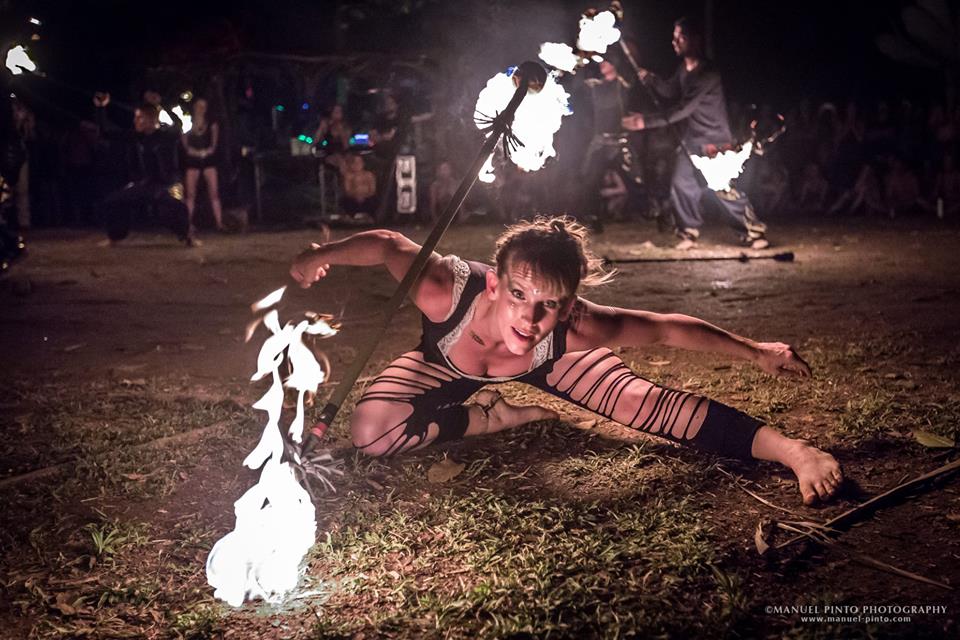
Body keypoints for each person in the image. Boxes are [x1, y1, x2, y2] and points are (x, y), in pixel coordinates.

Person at [290, 216, 843, 505]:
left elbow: (667, 328)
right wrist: (322, 255)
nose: (529, 319)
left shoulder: (574, 327)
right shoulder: (443, 290)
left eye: (549, 304)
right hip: (447, 366)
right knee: (369, 431)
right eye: (519, 296)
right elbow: (389, 244)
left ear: (569, 304)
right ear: (493, 284)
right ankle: (489, 415)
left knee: (639, 403)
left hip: (544, 366)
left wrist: (758, 353)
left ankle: (792, 451)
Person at [621, 17, 769, 251]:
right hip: (692, 140)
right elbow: (670, 91)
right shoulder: (684, 70)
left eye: (681, 37)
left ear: (695, 40)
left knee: (723, 188)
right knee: (681, 184)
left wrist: (644, 122)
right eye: (674, 37)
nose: (675, 41)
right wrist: (651, 79)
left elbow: (683, 108)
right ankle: (688, 232)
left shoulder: (708, 74)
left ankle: (752, 231)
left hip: (715, 142)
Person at [94, 92, 193, 246]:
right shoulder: (136, 137)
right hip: (145, 185)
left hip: (167, 184)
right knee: (113, 201)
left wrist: (162, 104)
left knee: (174, 206)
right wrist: (101, 108)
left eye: (139, 117)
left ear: (152, 120)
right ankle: (115, 237)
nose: (135, 121)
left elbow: (179, 124)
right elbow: (105, 133)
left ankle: (187, 236)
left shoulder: (167, 136)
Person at [181, 98, 224, 233]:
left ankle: (219, 223)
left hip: (208, 160)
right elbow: (185, 144)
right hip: (192, 161)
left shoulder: (211, 124)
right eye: (199, 106)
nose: (201, 109)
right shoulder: (187, 122)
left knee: (214, 192)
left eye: (204, 106)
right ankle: (188, 224)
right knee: (190, 194)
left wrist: (206, 152)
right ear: (194, 107)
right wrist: (193, 151)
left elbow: (213, 145)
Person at [340, 153, 377, 218]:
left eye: (359, 162)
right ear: (351, 165)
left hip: (367, 197)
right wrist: (356, 196)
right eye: (355, 163)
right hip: (353, 198)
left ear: (363, 163)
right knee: (346, 201)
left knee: (373, 200)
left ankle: (371, 218)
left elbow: (372, 189)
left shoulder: (369, 175)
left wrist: (364, 195)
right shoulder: (348, 176)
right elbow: (347, 190)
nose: (357, 165)